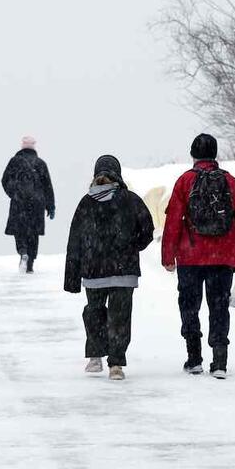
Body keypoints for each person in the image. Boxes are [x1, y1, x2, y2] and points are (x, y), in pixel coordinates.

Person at [161, 133, 235, 379]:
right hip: (222, 257)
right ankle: (220, 361)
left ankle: (194, 359)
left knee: (189, 306)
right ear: (215, 154)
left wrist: (168, 256)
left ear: (193, 154)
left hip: (190, 257)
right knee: (219, 306)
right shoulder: (231, 183)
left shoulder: (185, 181)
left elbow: (173, 221)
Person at [64, 155, 155, 381]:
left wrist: (72, 277)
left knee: (94, 311)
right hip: (124, 271)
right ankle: (116, 364)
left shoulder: (86, 203)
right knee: (120, 317)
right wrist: (133, 247)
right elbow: (148, 229)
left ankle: (95, 356)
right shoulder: (131, 200)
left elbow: (74, 241)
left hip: (94, 271)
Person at [1, 136, 55, 273]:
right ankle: (30, 264)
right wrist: (50, 206)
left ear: (22, 146)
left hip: (19, 202)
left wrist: (13, 193)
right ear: (33, 147)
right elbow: (48, 186)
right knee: (33, 233)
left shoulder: (14, 162)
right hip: (37, 204)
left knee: (19, 231)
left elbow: (4, 180)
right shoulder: (40, 163)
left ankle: (22, 252)